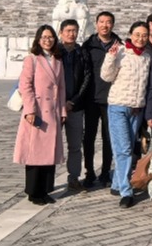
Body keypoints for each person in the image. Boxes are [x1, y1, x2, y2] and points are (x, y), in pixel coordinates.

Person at [13, 25, 66, 205]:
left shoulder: (57, 60)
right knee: (35, 153)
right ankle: (34, 192)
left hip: (53, 111)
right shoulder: (32, 59)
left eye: (50, 37)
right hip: (37, 111)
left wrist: (62, 110)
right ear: (38, 39)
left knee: (49, 154)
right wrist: (30, 110)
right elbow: (25, 85)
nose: (47, 40)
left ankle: (45, 190)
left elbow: (62, 88)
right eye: (44, 37)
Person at [100, 20, 151, 207]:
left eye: (144, 35)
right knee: (124, 150)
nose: (140, 38)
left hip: (136, 110)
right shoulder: (120, 51)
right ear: (130, 34)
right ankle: (126, 191)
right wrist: (110, 57)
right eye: (137, 34)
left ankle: (116, 184)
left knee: (127, 148)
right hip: (118, 107)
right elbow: (106, 76)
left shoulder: (147, 57)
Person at [81, 11, 120, 188]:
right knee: (88, 137)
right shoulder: (88, 46)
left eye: (108, 22)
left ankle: (105, 172)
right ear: (96, 24)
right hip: (91, 98)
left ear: (112, 24)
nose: (105, 25)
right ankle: (89, 172)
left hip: (111, 98)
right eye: (101, 22)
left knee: (108, 137)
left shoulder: (120, 46)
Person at [58, 19, 92, 191]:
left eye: (74, 31)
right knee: (50, 144)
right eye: (68, 31)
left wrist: (74, 101)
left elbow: (87, 77)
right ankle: (46, 180)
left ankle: (73, 177)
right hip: (55, 106)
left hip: (75, 106)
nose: (71, 34)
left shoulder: (82, 53)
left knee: (75, 145)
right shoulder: (55, 52)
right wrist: (60, 102)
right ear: (61, 33)